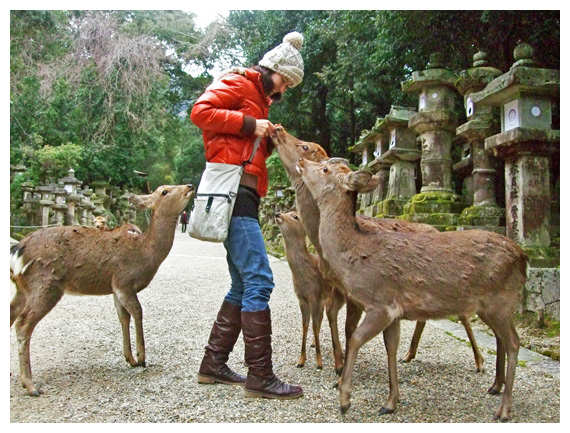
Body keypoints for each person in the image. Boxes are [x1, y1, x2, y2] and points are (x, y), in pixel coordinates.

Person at [190, 32, 304, 399]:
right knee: (260, 278)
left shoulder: (260, 99)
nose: (284, 89)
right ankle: (261, 377)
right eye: (284, 79)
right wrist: (250, 125)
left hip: (246, 192)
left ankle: (213, 364)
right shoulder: (237, 81)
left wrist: (265, 142)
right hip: (233, 192)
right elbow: (200, 113)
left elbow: (243, 150)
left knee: (242, 283)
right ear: (272, 69)